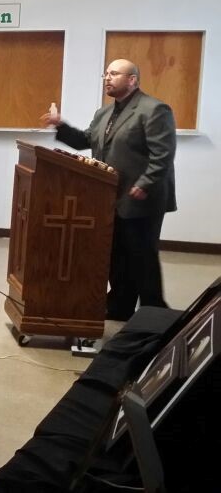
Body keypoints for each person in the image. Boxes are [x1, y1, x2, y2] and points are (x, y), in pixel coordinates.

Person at [41, 58, 177, 321]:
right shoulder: (104, 113)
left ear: (133, 80)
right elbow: (84, 141)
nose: (107, 78)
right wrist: (61, 125)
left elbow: (163, 155)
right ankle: (120, 307)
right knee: (116, 255)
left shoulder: (154, 109)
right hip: (109, 196)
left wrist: (145, 184)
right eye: (106, 74)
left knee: (142, 257)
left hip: (141, 198)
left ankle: (155, 313)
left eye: (114, 73)